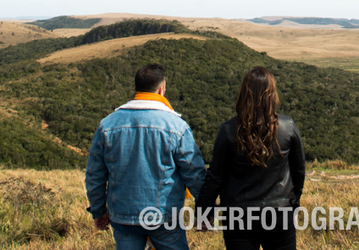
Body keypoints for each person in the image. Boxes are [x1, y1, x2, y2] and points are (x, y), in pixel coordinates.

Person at [85, 63, 206, 250]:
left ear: (136, 89)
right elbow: (194, 173)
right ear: (161, 90)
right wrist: (205, 210)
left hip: (122, 216)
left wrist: (99, 211)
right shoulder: (177, 126)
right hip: (164, 217)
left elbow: (94, 175)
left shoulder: (107, 125)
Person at [197, 67, 306, 250]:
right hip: (279, 211)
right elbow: (299, 170)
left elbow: (216, 176)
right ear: (272, 95)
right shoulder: (288, 127)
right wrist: (294, 202)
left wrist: (203, 210)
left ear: (243, 94)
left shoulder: (228, 130)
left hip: (238, 214)